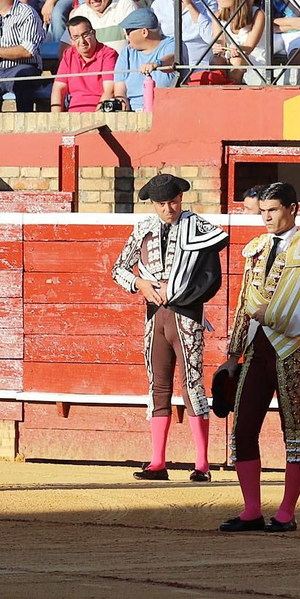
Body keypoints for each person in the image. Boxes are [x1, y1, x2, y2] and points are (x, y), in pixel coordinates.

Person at [217, 180, 300, 533]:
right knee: (242, 429)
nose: (266, 217)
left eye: (273, 210)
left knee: (295, 431)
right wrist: (233, 355)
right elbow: (244, 303)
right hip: (256, 352)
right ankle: (251, 511)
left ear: (292, 209)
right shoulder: (255, 249)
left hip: (290, 351)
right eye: (263, 211)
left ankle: (286, 512)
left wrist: (270, 315)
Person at [111, 173, 230, 482]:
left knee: (193, 385)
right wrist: (139, 283)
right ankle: (157, 462)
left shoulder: (197, 227)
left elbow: (211, 277)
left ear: (181, 199)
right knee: (158, 386)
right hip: (155, 318)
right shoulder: (143, 229)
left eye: (173, 202)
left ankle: (202, 464)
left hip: (187, 316)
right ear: (153, 204)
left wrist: (179, 292)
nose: (168, 209)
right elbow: (118, 269)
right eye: (161, 204)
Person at [112, 7, 176, 109]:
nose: (126, 37)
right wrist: (123, 107)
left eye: (128, 32)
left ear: (144, 32)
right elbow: (120, 91)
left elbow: (173, 59)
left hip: (166, 110)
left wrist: (157, 63)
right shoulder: (126, 52)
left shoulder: (172, 44)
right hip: (133, 112)